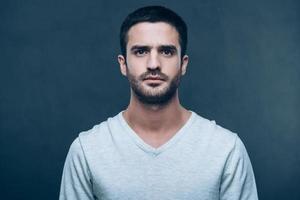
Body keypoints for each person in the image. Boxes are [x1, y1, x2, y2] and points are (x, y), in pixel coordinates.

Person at [59, 5, 258, 200]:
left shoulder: (226, 150)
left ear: (183, 64)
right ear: (123, 64)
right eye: (140, 51)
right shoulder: (87, 151)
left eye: (166, 52)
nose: (153, 64)